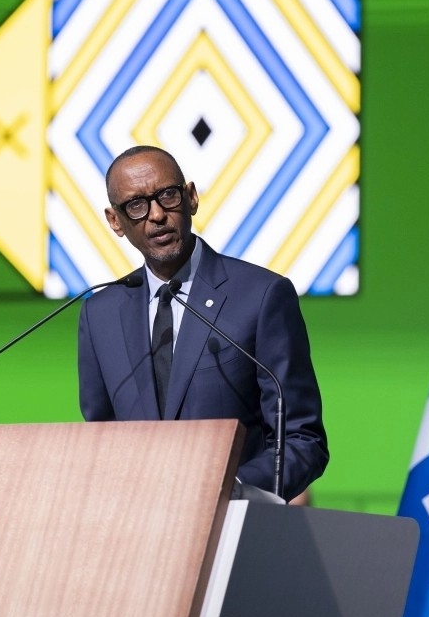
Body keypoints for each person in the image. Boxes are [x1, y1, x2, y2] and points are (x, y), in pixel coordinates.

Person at [77, 145, 328, 501]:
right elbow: (100, 441)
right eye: (136, 205)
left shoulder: (261, 296)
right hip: (138, 522)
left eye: (168, 195)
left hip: (234, 518)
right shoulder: (100, 314)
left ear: (191, 198)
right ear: (115, 221)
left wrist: (228, 490)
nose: (157, 215)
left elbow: (301, 440)